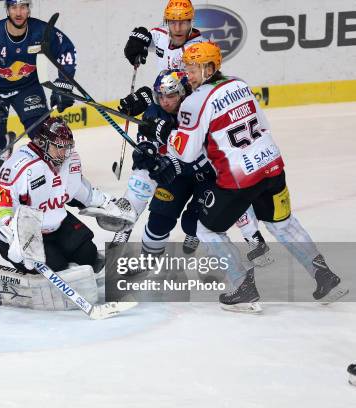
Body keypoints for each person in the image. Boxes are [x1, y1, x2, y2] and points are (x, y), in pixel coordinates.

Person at [142, 42, 348, 311]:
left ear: (210, 68)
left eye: (194, 69)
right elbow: (264, 124)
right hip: (272, 166)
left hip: (238, 179)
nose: (188, 74)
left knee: (207, 229)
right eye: (187, 68)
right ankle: (324, 275)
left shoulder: (193, 102)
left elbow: (187, 153)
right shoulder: (239, 84)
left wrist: (165, 134)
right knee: (282, 222)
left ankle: (243, 287)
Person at [115, 70, 272, 268]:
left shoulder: (201, 107)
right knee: (159, 220)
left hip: (208, 174)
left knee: (195, 223)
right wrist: (145, 152)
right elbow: (147, 145)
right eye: (160, 96)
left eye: (171, 95)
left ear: (184, 92)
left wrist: (170, 133)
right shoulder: (154, 112)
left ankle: (254, 240)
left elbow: (208, 148)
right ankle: (147, 262)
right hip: (176, 172)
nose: (165, 101)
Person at [0, 117, 135, 274]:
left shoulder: (69, 161)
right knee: (57, 267)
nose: (65, 153)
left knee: (88, 254)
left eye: (68, 147)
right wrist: (10, 231)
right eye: (59, 147)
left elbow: (79, 191)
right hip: (22, 231)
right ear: (43, 143)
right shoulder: (22, 165)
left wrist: (107, 203)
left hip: (53, 223)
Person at [0, 0, 76, 163]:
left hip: (28, 89)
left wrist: (64, 84)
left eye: (23, 7)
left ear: (28, 10)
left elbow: (66, 51)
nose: (18, 12)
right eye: (13, 7)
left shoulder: (41, 31)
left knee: (44, 141)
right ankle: (6, 142)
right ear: (7, 10)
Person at [123, 0, 205, 74]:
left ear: (191, 23)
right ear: (166, 23)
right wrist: (136, 40)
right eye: (172, 22)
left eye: (183, 22)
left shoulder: (202, 50)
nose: (177, 29)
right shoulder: (159, 35)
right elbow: (142, 41)